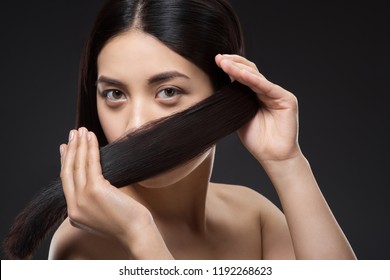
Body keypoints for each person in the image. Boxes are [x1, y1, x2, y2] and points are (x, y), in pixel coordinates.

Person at [48, 0, 356, 260]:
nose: (137, 125)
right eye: (115, 94)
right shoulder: (81, 244)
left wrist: (286, 161)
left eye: (168, 91)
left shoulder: (253, 217)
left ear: (224, 93)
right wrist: (138, 232)